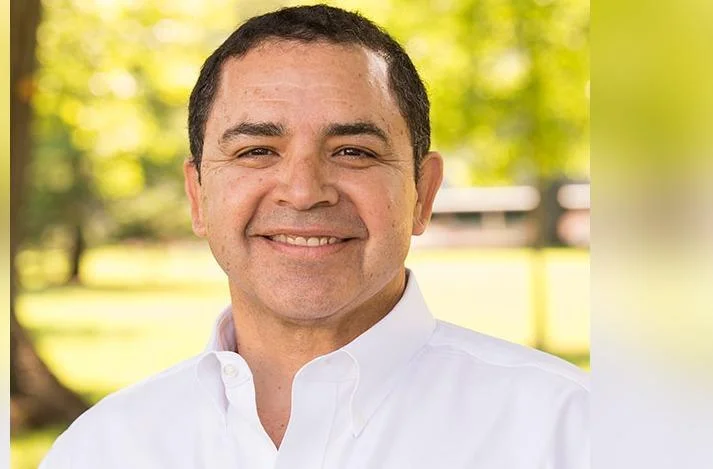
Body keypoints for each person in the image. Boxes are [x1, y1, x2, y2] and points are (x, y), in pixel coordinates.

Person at [40, 4, 588, 468]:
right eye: (257, 151)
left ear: (423, 193)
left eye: (353, 151)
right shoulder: (102, 450)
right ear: (198, 195)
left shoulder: (576, 433)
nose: (303, 192)